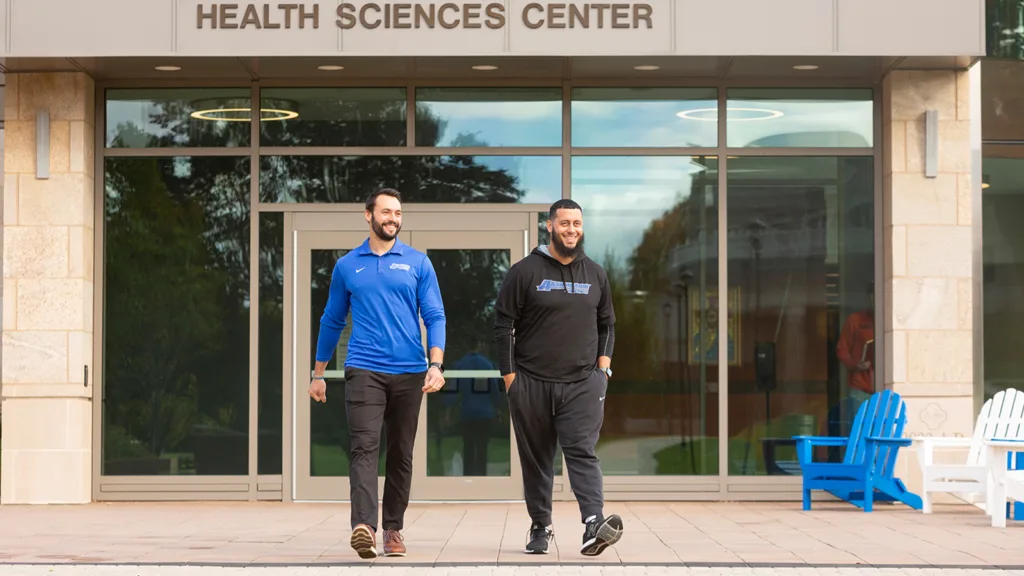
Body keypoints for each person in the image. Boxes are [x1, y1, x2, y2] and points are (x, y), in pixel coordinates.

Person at [309, 188, 447, 559]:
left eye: (398, 213)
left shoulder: (418, 263)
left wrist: (436, 364)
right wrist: (318, 373)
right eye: (386, 212)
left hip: (410, 372)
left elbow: (435, 315)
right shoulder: (348, 266)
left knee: (401, 453)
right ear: (367, 215)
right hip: (364, 369)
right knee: (364, 447)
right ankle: (364, 527)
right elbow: (332, 319)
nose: (393, 218)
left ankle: (393, 530)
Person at [493, 198, 623, 557]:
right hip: (531, 381)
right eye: (564, 223)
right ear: (550, 226)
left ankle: (593, 522)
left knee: (581, 450)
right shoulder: (524, 271)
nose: (571, 230)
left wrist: (603, 370)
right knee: (537, 457)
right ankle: (540, 524)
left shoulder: (595, 273)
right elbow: (503, 325)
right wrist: (510, 378)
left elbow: (607, 324)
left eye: (577, 224)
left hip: (583, 382)